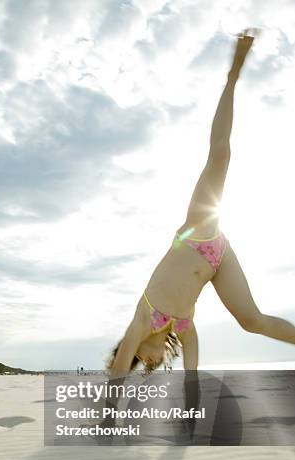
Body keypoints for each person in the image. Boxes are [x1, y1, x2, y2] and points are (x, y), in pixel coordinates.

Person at [107, 29, 295, 378]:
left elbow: (118, 372)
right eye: (155, 364)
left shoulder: (141, 321)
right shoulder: (183, 329)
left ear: (130, 350)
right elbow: (191, 374)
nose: (150, 362)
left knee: (220, 156)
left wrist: (108, 417)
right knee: (251, 321)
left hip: (195, 233)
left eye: (141, 361)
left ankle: (233, 76)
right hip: (218, 256)